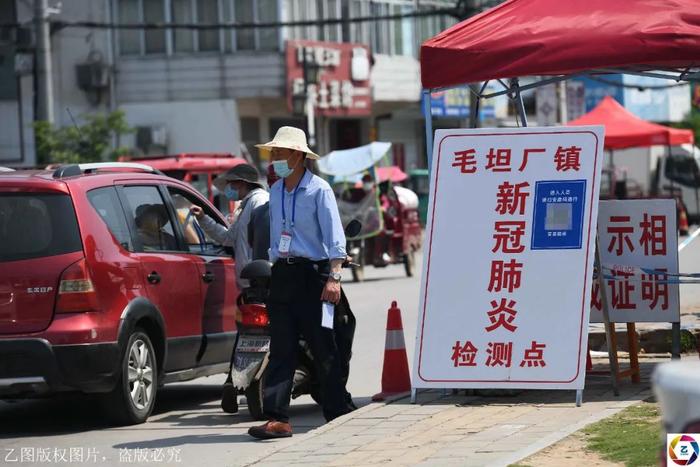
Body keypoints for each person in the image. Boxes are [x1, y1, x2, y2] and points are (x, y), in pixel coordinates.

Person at [248, 126, 356, 440]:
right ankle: (277, 418)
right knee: (281, 348)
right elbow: (276, 238)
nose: (275, 159)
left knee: (324, 347)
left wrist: (334, 277)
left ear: (297, 156)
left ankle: (336, 411)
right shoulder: (277, 190)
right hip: (283, 274)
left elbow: (335, 238)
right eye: (273, 153)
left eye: (280, 153)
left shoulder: (319, 190)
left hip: (315, 275)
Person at [190, 163, 269, 289]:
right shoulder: (246, 205)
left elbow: (263, 241)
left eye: (229, 183)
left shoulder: (259, 201)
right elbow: (227, 237)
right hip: (249, 281)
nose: (228, 187)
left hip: (257, 280)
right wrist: (203, 218)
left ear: (240, 183)